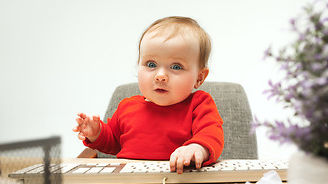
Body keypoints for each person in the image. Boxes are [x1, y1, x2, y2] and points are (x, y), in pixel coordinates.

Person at [73, 16, 224, 174]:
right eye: (151, 64)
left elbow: (211, 134)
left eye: (176, 67)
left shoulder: (199, 104)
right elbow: (113, 142)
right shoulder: (127, 107)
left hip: (179, 181)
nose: (160, 76)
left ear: (199, 78)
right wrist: (97, 133)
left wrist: (197, 148)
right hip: (129, 182)